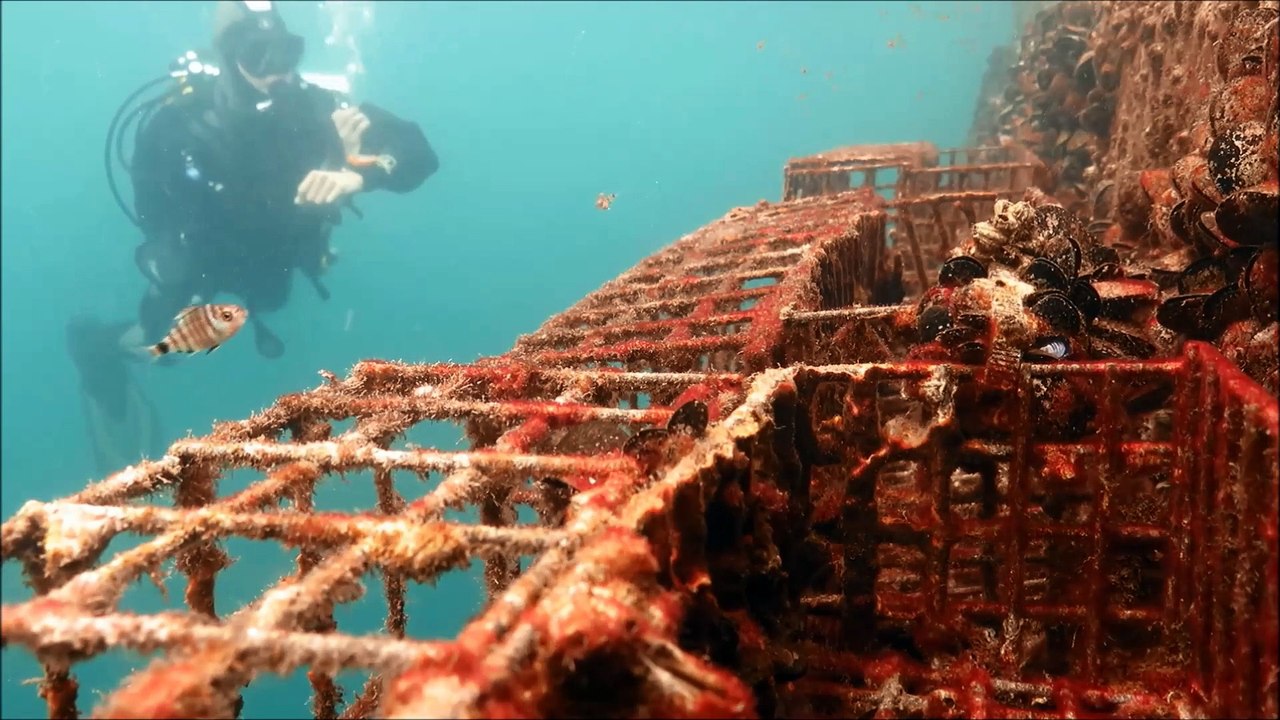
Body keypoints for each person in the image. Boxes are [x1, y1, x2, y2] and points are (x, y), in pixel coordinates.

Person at [67, 0, 439, 472]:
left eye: (287, 53)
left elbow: (418, 152)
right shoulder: (181, 120)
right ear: (228, 58)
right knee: (167, 347)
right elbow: (150, 202)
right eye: (258, 56)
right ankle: (96, 347)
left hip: (278, 254)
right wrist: (170, 256)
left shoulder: (320, 108)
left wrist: (359, 177)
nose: (277, 71)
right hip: (206, 255)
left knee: (272, 300)